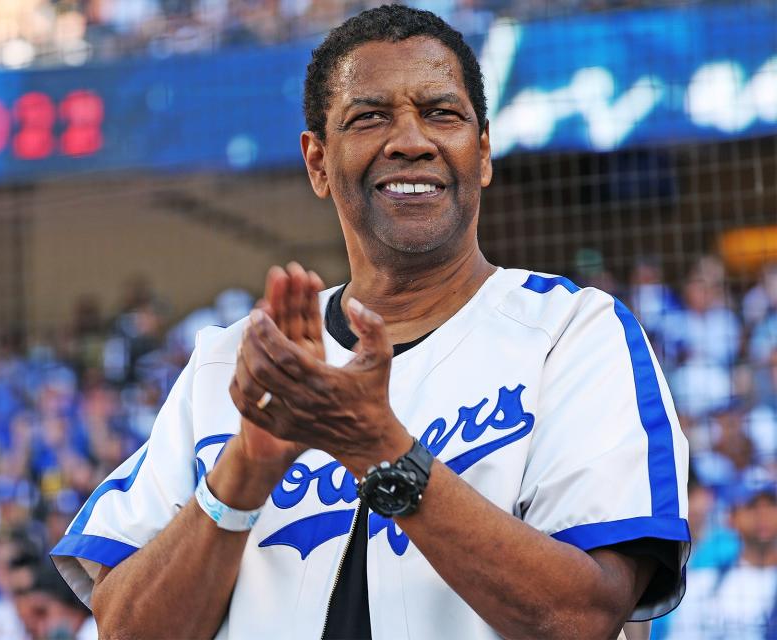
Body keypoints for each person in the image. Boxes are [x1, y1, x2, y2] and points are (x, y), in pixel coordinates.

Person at [52, 6, 690, 639]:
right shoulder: (236, 362)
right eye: (369, 117)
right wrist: (246, 466)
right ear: (318, 163)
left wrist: (378, 448)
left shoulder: (573, 333)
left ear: (484, 152)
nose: (411, 140)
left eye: (442, 114)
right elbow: (127, 629)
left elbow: (583, 616)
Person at [664, 472, 777, 639]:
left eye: (771, 505)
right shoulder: (703, 584)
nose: (763, 514)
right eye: (752, 506)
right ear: (732, 517)